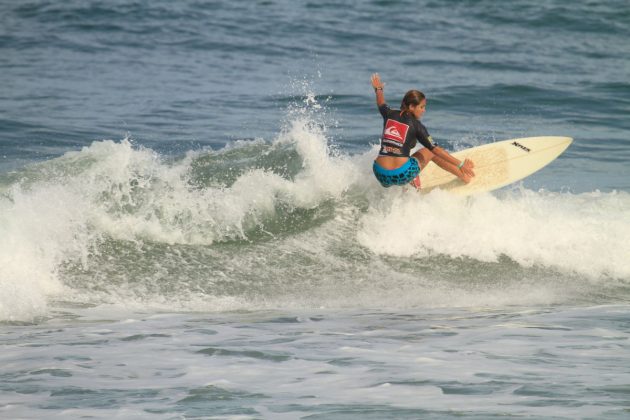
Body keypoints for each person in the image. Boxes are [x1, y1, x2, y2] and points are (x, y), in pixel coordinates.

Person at [370, 73, 475, 189]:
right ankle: (464, 176)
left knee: (402, 151)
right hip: (402, 175)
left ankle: (410, 182)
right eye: (421, 107)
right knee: (429, 151)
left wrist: (378, 89)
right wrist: (460, 164)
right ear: (411, 107)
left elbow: (381, 102)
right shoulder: (417, 126)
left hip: (380, 174)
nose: (424, 110)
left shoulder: (389, 113)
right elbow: (437, 150)